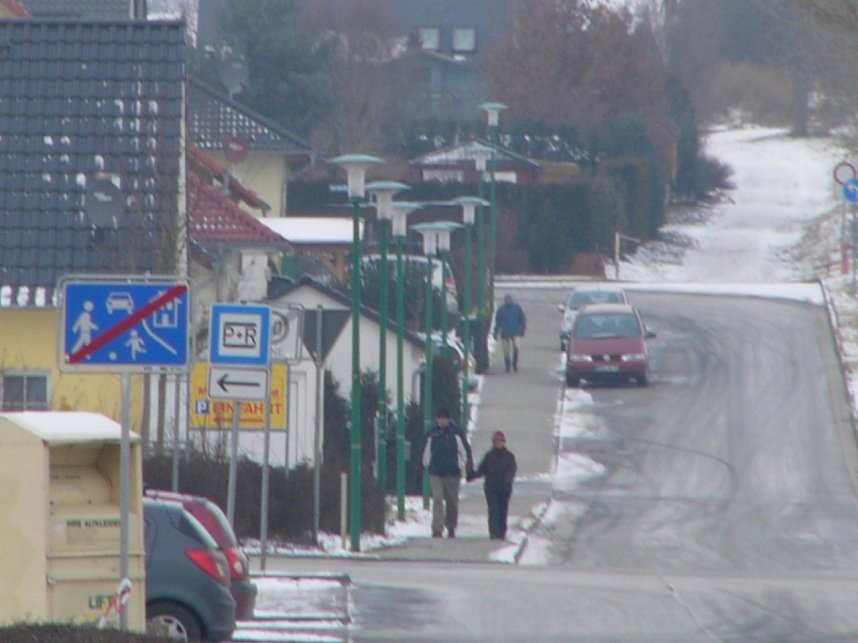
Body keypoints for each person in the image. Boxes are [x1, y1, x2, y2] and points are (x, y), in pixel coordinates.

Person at [421, 408, 473, 538]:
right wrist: (425, 465)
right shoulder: (432, 433)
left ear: (448, 419)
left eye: (444, 418)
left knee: (452, 501)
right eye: (440, 418)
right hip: (436, 472)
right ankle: (437, 528)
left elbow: (464, 452)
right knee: (437, 499)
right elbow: (426, 451)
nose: (442, 421)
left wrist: (461, 465)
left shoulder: (456, 433)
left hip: (452, 473)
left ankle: (451, 526)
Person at [467, 431, 517, 540]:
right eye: (497, 442)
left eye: (501, 442)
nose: (499, 444)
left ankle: (501, 531)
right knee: (493, 510)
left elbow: (512, 470)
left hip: (504, 489)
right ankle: (494, 532)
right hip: (491, 488)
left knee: (503, 510)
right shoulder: (489, 456)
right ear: (493, 443)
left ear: (504, 443)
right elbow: (482, 470)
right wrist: (471, 475)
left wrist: (507, 481)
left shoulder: (509, 457)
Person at [493, 293, 527, 372]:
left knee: (516, 348)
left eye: (509, 299)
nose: (508, 301)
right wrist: (496, 332)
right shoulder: (501, 309)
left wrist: (523, 329)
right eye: (507, 299)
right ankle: (507, 366)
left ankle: (514, 364)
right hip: (505, 333)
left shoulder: (517, 308)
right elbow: (498, 322)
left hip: (515, 332)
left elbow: (522, 319)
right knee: (506, 350)